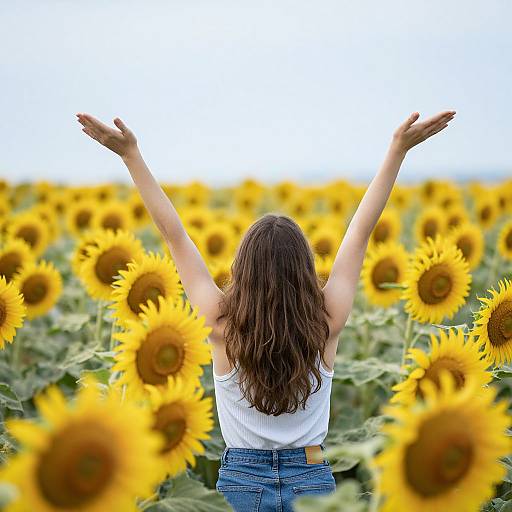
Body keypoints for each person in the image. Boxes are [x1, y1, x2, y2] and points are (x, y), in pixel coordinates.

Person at [76, 109, 455, 511]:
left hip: (242, 482)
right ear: (304, 269)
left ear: (243, 270)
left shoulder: (220, 322)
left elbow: (175, 235)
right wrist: (397, 150)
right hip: (311, 475)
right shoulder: (326, 320)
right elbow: (360, 230)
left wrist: (130, 155)